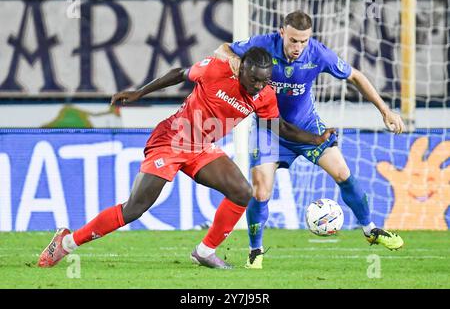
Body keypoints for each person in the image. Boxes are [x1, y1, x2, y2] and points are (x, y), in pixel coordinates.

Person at [37, 47, 335, 269]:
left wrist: (316, 139)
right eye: (255, 80)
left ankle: (205, 252)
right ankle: (65, 242)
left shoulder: (264, 95)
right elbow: (180, 73)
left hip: (201, 147)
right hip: (172, 139)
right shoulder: (216, 70)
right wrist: (140, 93)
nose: (259, 87)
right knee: (135, 209)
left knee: (242, 192)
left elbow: (278, 128)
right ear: (242, 69)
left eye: (264, 81)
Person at [214, 11, 405, 269]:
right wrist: (232, 60)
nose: (298, 47)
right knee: (261, 191)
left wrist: (385, 111)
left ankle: (370, 229)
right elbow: (223, 49)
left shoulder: (318, 54)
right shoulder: (262, 45)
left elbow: (356, 76)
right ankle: (255, 250)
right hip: (268, 128)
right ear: (282, 32)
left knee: (343, 172)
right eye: (293, 40)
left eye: (303, 41)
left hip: (307, 127)